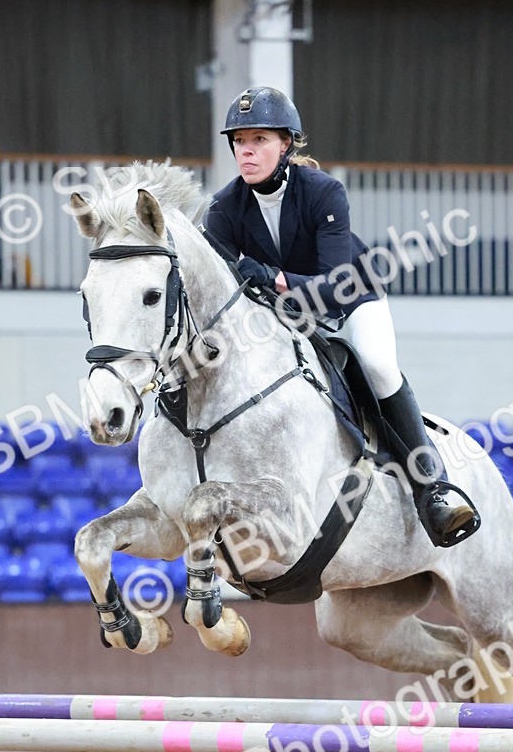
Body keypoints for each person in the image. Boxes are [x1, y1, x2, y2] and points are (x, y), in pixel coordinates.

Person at [204, 85, 480, 548]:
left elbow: (333, 287)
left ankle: (432, 488)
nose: (246, 151)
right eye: (239, 142)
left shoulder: (324, 192)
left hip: (352, 294)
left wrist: (273, 277)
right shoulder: (223, 208)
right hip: (281, 312)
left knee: (376, 363)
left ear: (286, 144)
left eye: (259, 140)